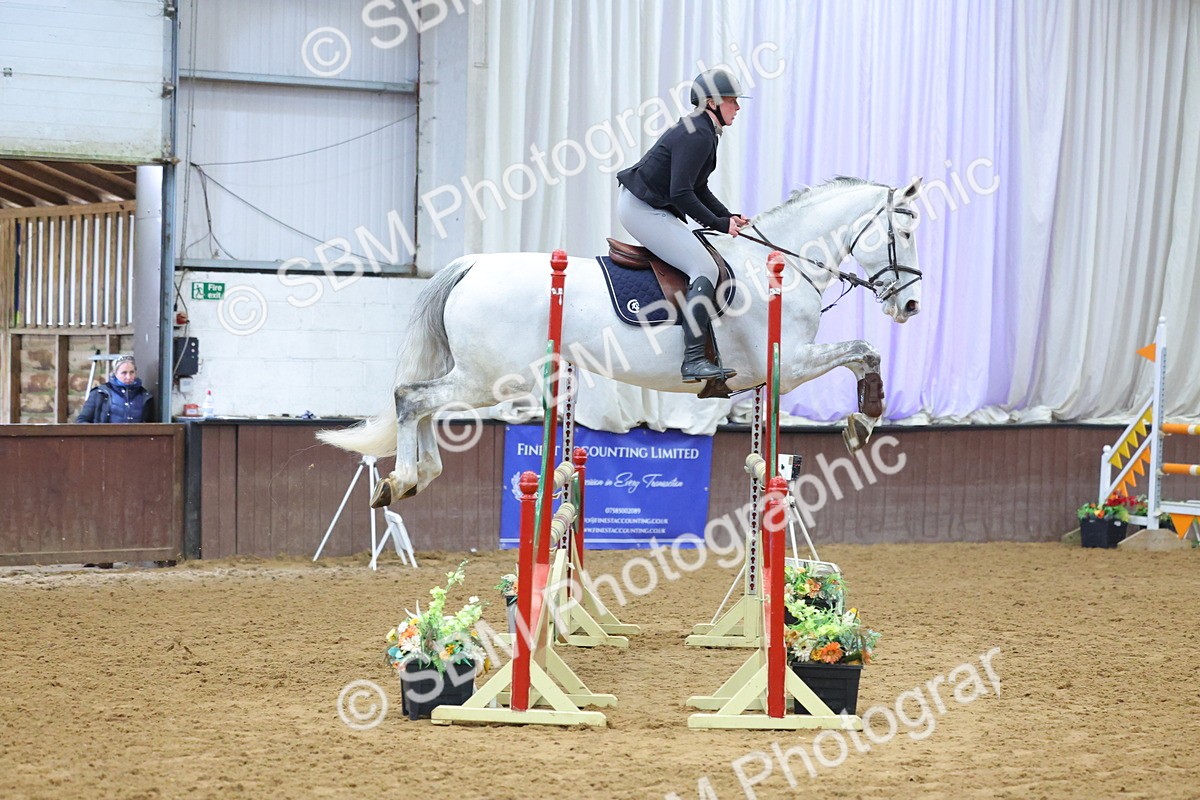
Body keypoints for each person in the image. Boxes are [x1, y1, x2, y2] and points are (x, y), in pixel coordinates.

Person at [616, 67, 751, 383]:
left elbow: (699, 187)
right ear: (712, 102)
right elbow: (681, 192)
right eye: (732, 100)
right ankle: (693, 360)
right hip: (641, 209)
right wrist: (719, 224)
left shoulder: (704, 130)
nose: (737, 107)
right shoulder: (698, 133)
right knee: (705, 268)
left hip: (646, 206)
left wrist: (727, 216)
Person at [76, 355, 156, 423]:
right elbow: (82, 421)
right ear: (115, 373)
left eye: (132, 372)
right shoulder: (100, 393)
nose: (128, 377)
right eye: (124, 373)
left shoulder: (145, 396)